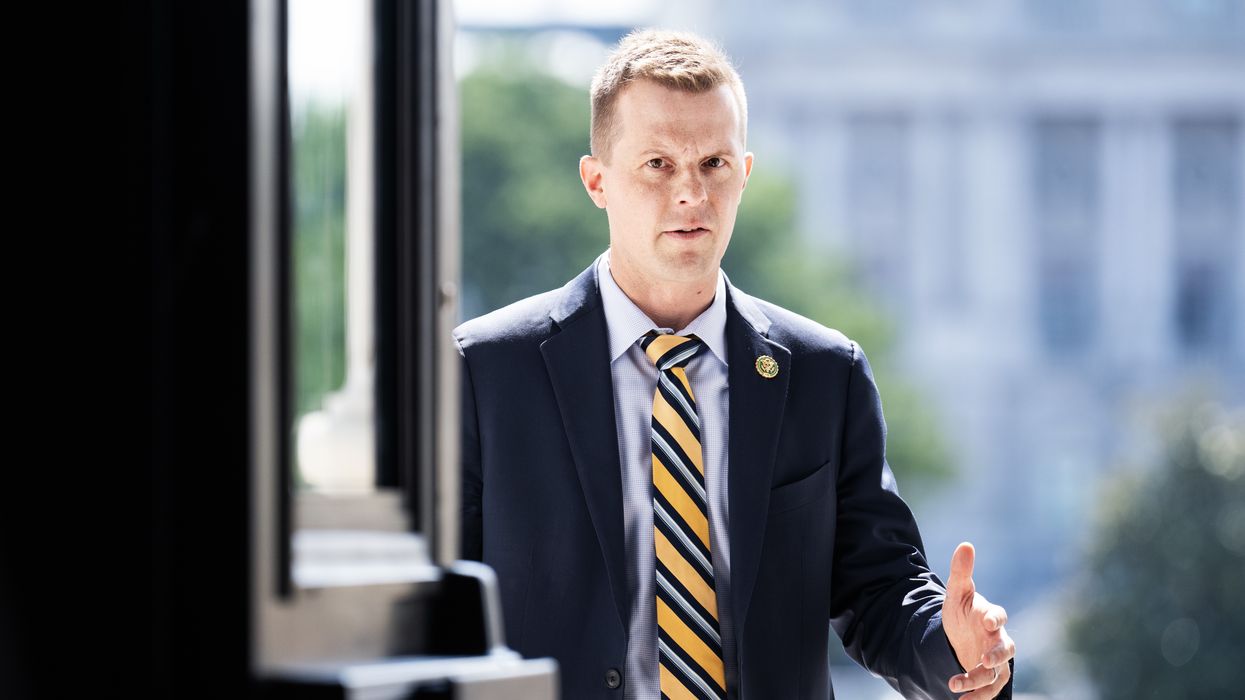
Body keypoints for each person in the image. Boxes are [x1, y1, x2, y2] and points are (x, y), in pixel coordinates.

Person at [454, 28, 1015, 700]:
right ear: (597, 181)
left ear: (744, 174)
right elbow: (437, 608)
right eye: (658, 164)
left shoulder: (822, 373)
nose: (690, 193)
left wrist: (951, 647)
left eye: (713, 163)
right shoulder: (485, 373)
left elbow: (878, 587)